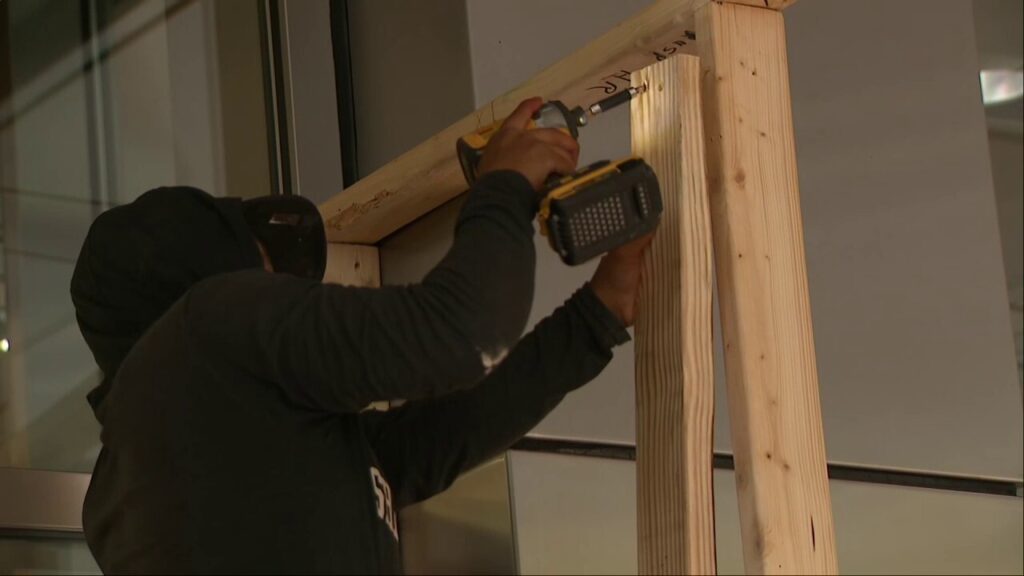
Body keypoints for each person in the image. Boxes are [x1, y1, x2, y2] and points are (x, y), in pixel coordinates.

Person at [71, 98, 652, 574]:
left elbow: (437, 438)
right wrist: (504, 184)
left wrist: (597, 316)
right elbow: (462, 333)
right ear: (215, 278)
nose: (290, 298)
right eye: (266, 279)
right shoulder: (209, 327)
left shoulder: (147, 483)